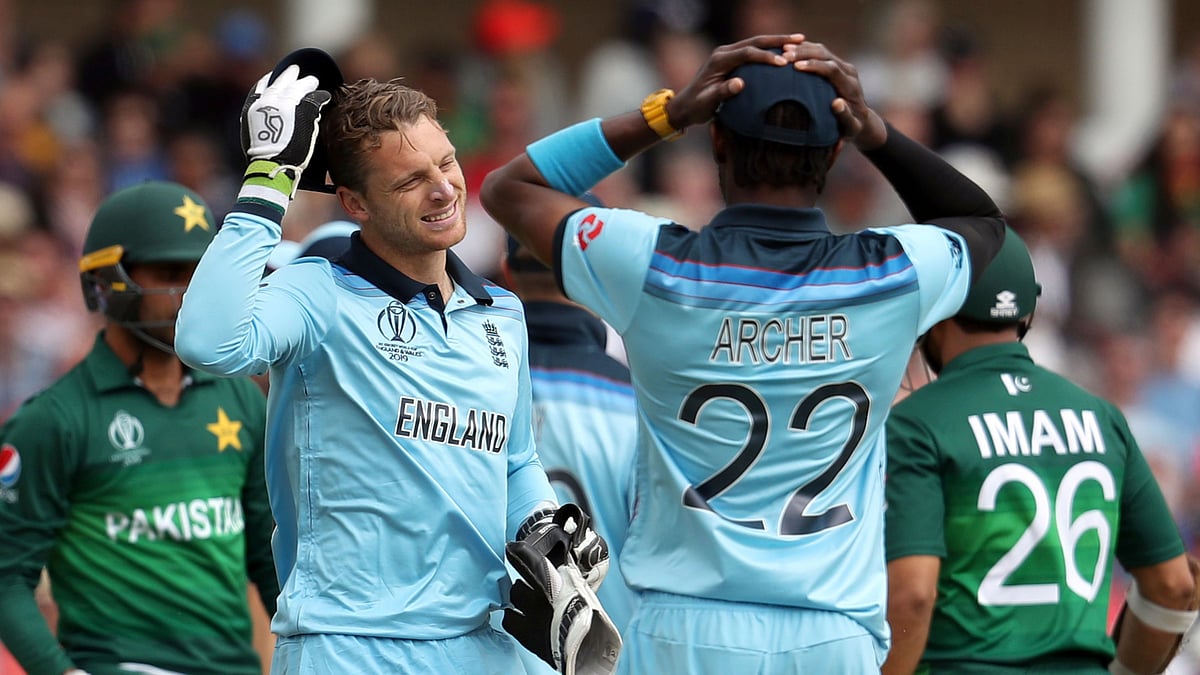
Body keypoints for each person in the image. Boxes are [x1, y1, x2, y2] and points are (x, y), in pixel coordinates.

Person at [481, 33, 1006, 673]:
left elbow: (510, 187)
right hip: (831, 636)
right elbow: (983, 222)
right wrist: (874, 131)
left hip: (685, 630)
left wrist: (667, 114)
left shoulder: (651, 261)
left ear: (718, 142)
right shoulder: (894, 272)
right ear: (834, 151)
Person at [175, 52, 610, 674]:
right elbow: (207, 342)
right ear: (355, 203)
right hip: (349, 645)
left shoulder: (501, 311)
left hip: (482, 644)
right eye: (410, 182)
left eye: (446, 162)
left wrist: (544, 525)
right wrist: (270, 179)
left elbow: (515, 460)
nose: (444, 189)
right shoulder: (317, 291)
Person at [882, 229, 1200, 675]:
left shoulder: (918, 422)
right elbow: (1173, 585)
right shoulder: (1102, 417)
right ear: (1028, 314)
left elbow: (913, 595)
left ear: (938, 306)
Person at [0, 180, 278, 675]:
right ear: (108, 281)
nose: (190, 293)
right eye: (170, 273)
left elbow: (267, 554)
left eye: (200, 273)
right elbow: (6, 576)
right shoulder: (53, 420)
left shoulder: (239, 398)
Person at [500, 231, 640, 634]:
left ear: (507, 270)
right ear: (601, 278)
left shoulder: (469, 385)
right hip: (603, 652)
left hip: (486, 650)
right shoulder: (638, 403)